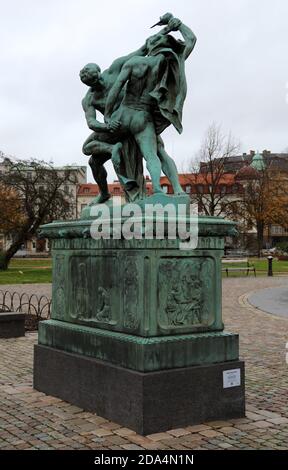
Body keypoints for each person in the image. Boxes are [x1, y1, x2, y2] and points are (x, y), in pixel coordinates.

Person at [104, 15, 197, 194]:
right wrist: (179, 25)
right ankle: (157, 188)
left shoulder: (134, 63)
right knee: (153, 154)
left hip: (123, 114)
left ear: (151, 46)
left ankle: (118, 166)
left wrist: (108, 116)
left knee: (95, 146)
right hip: (143, 117)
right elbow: (191, 39)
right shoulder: (171, 62)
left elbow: (116, 88)